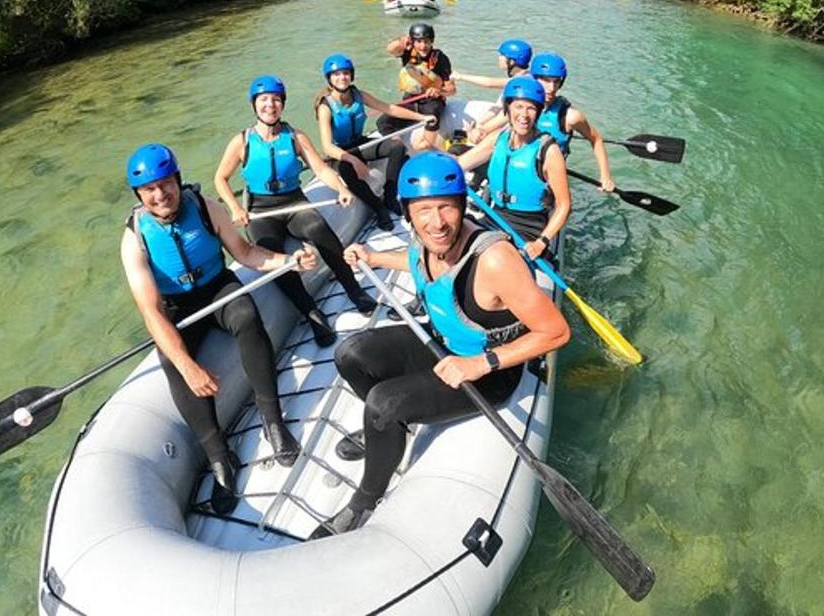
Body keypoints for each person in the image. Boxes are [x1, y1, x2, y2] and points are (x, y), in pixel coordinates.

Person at [311, 152, 571, 538]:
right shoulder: (425, 241)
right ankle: (387, 432)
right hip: (443, 343)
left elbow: (556, 332)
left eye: (447, 208)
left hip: (487, 372)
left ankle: (364, 500)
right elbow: (415, 259)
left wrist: (483, 363)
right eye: (424, 210)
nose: (437, 222)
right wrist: (374, 256)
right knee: (350, 354)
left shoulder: (495, 261)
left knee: (383, 403)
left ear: (462, 207)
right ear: (408, 213)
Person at [122, 144, 312, 515]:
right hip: (176, 305)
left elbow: (245, 254)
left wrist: (288, 261)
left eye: (166, 184)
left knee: (246, 316)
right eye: (150, 190)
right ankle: (219, 457)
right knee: (171, 360)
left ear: (177, 181)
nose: (160, 195)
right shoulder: (134, 238)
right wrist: (187, 365)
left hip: (217, 285)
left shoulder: (206, 207)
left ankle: (273, 422)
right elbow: (150, 310)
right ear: (139, 196)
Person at [215, 75, 378, 349]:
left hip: (293, 202)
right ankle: (312, 313)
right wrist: (234, 207)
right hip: (260, 210)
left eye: (276, 100)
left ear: (283, 104)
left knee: (318, 229)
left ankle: (354, 288)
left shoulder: (295, 136)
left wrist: (340, 188)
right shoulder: (242, 141)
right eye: (264, 100)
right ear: (254, 105)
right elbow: (221, 178)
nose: (270, 105)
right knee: (274, 255)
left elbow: (320, 168)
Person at [467, 52, 618, 194]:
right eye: (545, 80)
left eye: (556, 82)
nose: (551, 88)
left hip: (546, 177)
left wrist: (605, 176)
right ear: (534, 79)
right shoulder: (521, 109)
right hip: (517, 167)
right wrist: (477, 131)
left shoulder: (570, 116)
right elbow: (487, 129)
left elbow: (596, 139)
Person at [314, 53, 433, 229]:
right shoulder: (325, 107)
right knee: (347, 171)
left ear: (351, 75)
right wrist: (353, 160)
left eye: (345, 73)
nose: (342, 78)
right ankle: (379, 209)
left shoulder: (359, 95)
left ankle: (390, 196)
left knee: (397, 147)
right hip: (341, 152)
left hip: (360, 143)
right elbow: (327, 147)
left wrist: (422, 117)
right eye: (336, 74)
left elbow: (390, 109)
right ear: (329, 79)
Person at [457, 76, 571, 259]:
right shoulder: (498, 138)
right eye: (518, 107)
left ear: (538, 112)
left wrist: (541, 241)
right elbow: (461, 163)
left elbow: (564, 205)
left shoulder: (549, 151)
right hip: (495, 215)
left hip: (528, 228)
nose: (524, 115)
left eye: (531, 108)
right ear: (507, 108)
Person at [378, 22, 455, 149]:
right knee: (383, 122)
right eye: (418, 42)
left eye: (426, 41)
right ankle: (397, 146)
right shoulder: (407, 53)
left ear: (432, 42)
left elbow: (452, 89)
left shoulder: (440, 58)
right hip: (410, 101)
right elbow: (391, 49)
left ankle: (426, 144)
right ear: (412, 42)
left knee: (432, 115)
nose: (423, 46)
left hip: (432, 102)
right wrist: (402, 41)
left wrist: (439, 91)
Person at [453, 38, 533, 92]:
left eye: (502, 55)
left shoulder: (521, 80)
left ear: (512, 61)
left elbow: (489, 83)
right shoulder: (527, 75)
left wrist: (460, 76)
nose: (499, 58)